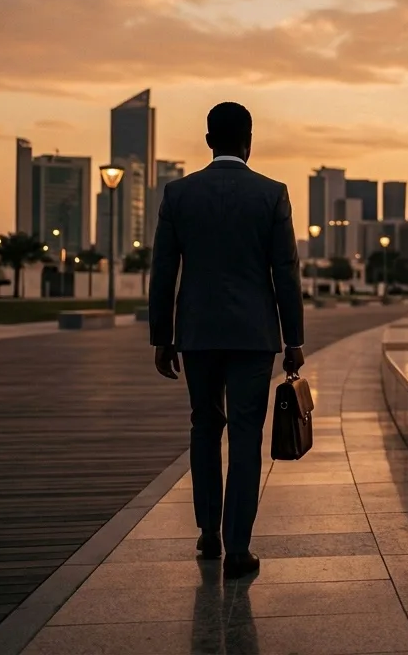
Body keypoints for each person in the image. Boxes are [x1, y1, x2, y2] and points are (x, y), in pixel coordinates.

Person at [148, 102, 304, 579]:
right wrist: (293, 338)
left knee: (203, 427)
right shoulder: (271, 194)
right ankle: (238, 547)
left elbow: (163, 272)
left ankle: (208, 534)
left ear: (209, 139)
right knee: (244, 434)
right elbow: (286, 272)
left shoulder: (178, 194)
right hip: (255, 336)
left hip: (196, 334)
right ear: (249, 140)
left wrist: (162, 336)